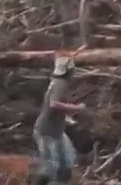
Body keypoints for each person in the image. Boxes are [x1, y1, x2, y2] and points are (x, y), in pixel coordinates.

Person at [31, 56, 85, 185]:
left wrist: (67, 116)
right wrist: (76, 108)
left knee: (67, 161)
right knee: (50, 167)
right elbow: (54, 104)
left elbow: (55, 108)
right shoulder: (60, 84)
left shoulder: (57, 82)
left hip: (57, 131)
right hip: (47, 132)